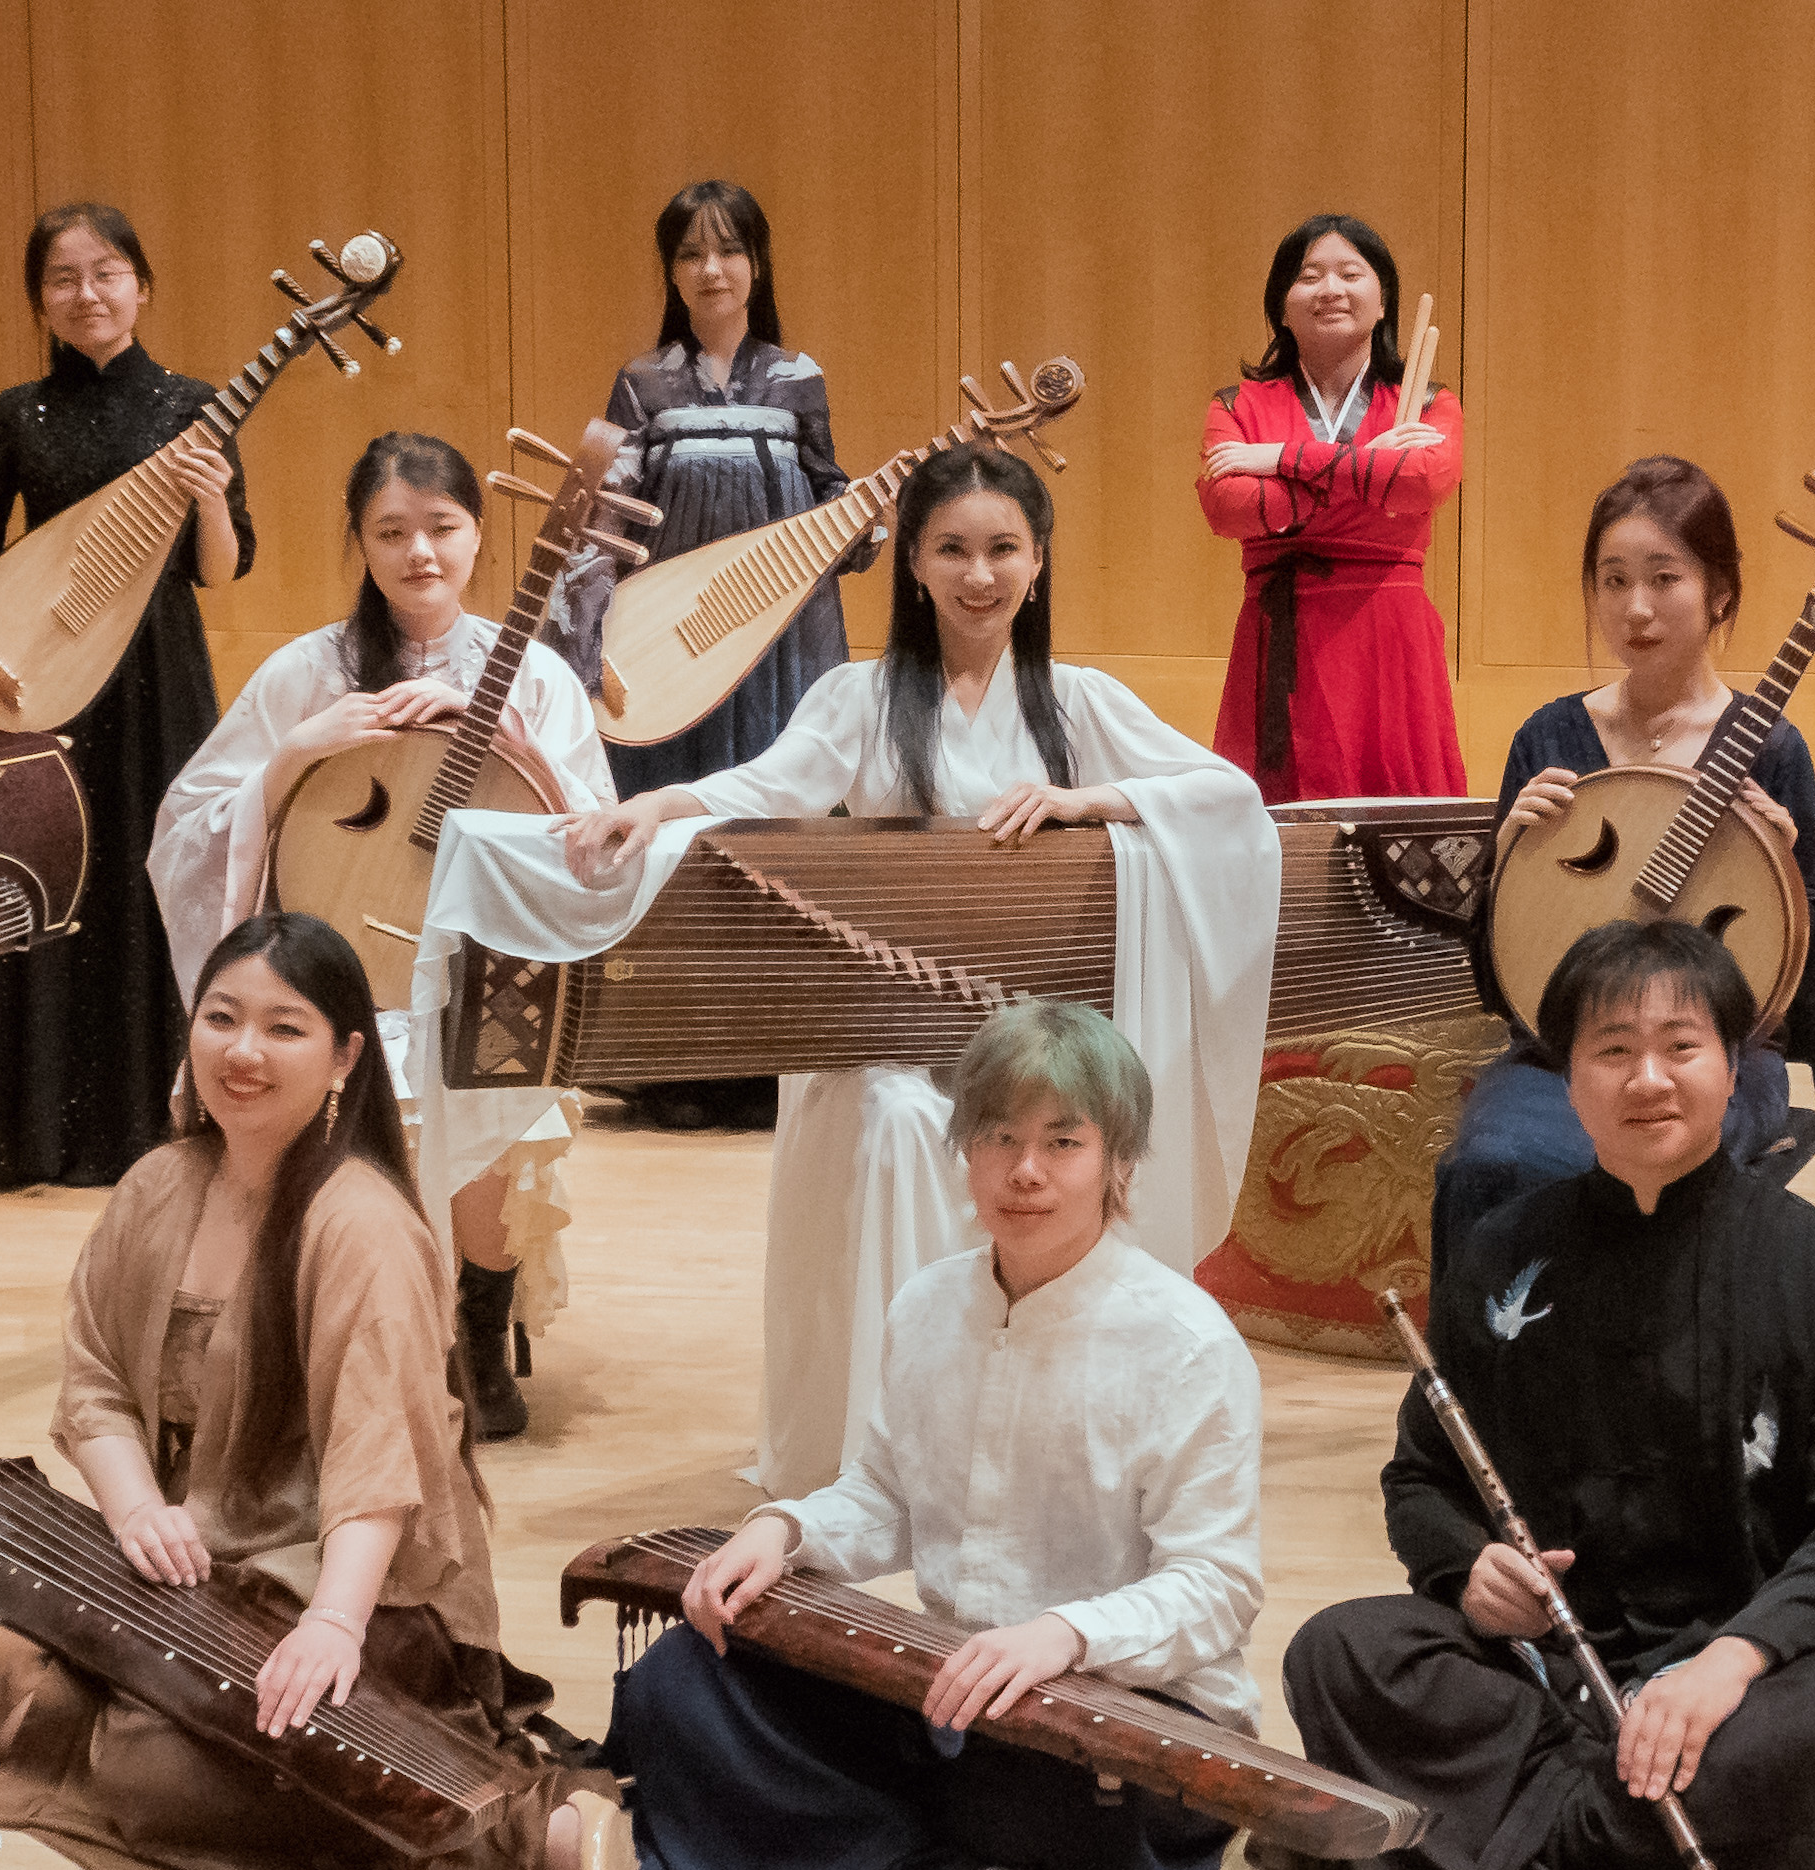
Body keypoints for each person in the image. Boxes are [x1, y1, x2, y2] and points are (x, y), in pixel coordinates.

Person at [472, 443, 1279, 1499]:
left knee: (999, 1118)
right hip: (880, 1028)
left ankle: (1018, 1445)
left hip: (1020, 1036)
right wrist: (652, 804)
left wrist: (1093, 803)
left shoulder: (1074, 702)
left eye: (1003, 550)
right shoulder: (861, 696)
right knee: (897, 1120)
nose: (978, 576)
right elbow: (762, 789)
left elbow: (1225, 800)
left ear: (1038, 563)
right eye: (951, 549)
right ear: (913, 565)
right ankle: (889, 1449)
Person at [0, 914, 630, 1870]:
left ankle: (529, 1824)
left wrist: (331, 1626)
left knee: (157, 1770)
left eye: (283, 1028)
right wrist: (137, 1510)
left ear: (346, 1055)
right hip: (189, 1568)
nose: (243, 1051)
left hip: (359, 1584)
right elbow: (92, 1382)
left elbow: (377, 1461)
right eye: (221, 1019)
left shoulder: (363, 1226)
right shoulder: (158, 1186)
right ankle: (130, 1704)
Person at [1277, 920, 1815, 1870]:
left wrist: (1726, 1663)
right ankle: (1628, 1828)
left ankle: (1478, 1830)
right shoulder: (1503, 1249)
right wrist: (1467, 1573)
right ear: (1568, 1081)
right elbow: (1420, 1482)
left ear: (1733, 1070)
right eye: (1611, 1050)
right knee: (1335, 1652)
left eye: (1681, 1046)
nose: (1648, 1079)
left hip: (1747, 1681)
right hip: (1549, 1677)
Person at [614, 1002, 1267, 1870]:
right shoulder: (929, 1305)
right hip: (956, 1695)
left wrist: (1064, 1636)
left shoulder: (1186, 1345)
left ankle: (894, 1864)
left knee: (1040, 1813)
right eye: (998, 1137)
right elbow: (884, 1498)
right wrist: (778, 1529)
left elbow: (1218, 1585)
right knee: (680, 1678)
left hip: (1124, 1717)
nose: (1025, 1171)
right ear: (963, 1149)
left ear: (1118, 1164)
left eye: (1062, 1141)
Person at [152, 433, 614, 1438]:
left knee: (496, 1120)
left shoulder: (528, 672)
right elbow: (190, 823)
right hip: (339, 973)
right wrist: (294, 755)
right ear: (359, 542)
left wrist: (503, 740)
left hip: (487, 968)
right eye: (391, 532)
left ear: (477, 535)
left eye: (441, 529)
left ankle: (475, 1341)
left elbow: (594, 833)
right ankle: (342, 1337)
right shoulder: (307, 668)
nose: (420, 554)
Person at [0, 201, 252, 1190]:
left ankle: (154, 1120)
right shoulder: (20, 414)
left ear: (142, 285)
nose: (86, 294)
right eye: (62, 279)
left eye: (106, 273)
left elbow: (221, 570)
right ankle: (32, 1133)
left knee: (156, 874)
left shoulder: (194, 405)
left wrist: (209, 492)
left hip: (158, 675)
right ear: (40, 301)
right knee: (43, 880)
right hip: (38, 676)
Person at [1435, 455, 1815, 1257]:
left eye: (1664, 577)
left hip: (1715, 1051)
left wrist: (1785, 877)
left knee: (1662, 1160)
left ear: (1718, 590)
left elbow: (1809, 996)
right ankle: (1484, 1372)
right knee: (1486, 1163)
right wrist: (1506, 861)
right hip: (1567, 1046)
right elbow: (1502, 982)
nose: (1637, 606)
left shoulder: (1771, 749)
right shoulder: (1549, 737)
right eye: (1613, 579)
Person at [593, 178, 873, 1134]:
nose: (710, 271)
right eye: (688, 254)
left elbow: (836, 505)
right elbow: (609, 527)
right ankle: (671, 1064)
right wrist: (595, 643)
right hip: (673, 651)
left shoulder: (798, 377)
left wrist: (867, 525)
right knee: (673, 836)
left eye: (728, 250)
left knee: (770, 830)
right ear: (671, 271)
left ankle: (770, 1060)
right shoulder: (643, 382)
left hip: (781, 650)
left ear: (757, 262)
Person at [1198, 211, 1467, 801]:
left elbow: (1421, 483)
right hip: (1278, 631)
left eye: (1351, 273)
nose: (1331, 290)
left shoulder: (1427, 399)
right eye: (1310, 276)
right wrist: (1367, 470)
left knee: (1398, 833)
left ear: (1382, 301)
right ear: (1282, 302)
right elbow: (1229, 505)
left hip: (1389, 635)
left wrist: (1281, 460)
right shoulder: (1237, 402)